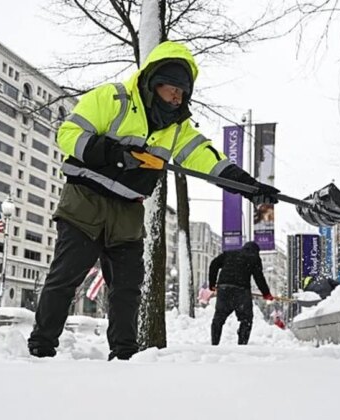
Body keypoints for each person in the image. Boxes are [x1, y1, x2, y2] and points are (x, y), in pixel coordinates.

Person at [27, 41, 279, 360]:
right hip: (85, 202)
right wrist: (114, 154)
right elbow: (68, 134)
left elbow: (206, 157)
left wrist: (249, 186)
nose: (178, 97)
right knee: (66, 278)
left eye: (183, 92)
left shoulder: (177, 128)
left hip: (129, 210)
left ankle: (124, 354)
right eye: (172, 88)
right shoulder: (112, 98)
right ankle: (42, 345)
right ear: (153, 82)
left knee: (128, 289)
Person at [208, 241, 274, 345]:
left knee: (219, 317)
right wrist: (266, 293)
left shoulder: (229, 254)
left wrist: (212, 283)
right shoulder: (254, 258)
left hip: (224, 289)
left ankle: (214, 343)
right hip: (241, 291)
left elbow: (213, 264)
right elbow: (259, 277)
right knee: (246, 319)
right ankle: (242, 344)